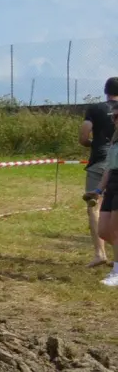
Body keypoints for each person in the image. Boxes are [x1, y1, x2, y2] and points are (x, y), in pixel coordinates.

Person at [81, 79, 118, 268]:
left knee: (94, 207)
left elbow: (84, 135)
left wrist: (92, 144)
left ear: (105, 91)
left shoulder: (95, 109)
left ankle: (100, 253)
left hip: (99, 161)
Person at [99, 139, 118, 287]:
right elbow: (108, 168)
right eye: (114, 117)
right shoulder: (114, 142)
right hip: (112, 184)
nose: (115, 120)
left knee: (115, 230)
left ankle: (117, 273)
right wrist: (99, 189)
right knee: (104, 231)